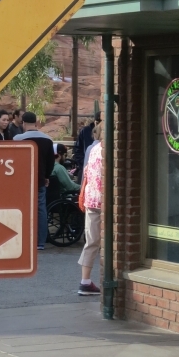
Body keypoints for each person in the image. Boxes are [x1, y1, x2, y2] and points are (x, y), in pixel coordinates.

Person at [13, 111, 55, 251]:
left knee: (21, 209)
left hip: (21, 181)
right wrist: (46, 176)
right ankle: (40, 242)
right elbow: (51, 162)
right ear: (36, 122)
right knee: (40, 209)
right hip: (40, 179)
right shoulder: (47, 139)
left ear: (23, 123)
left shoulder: (17, 139)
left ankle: (22, 240)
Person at [78, 121, 103, 296]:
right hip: (104, 202)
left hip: (91, 200)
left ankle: (85, 281)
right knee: (109, 243)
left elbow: (86, 172)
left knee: (91, 242)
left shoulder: (93, 149)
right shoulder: (107, 151)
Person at [72, 113, 100, 180]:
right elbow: (78, 149)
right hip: (86, 165)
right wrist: (83, 163)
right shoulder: (85, 131)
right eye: (97, 122)